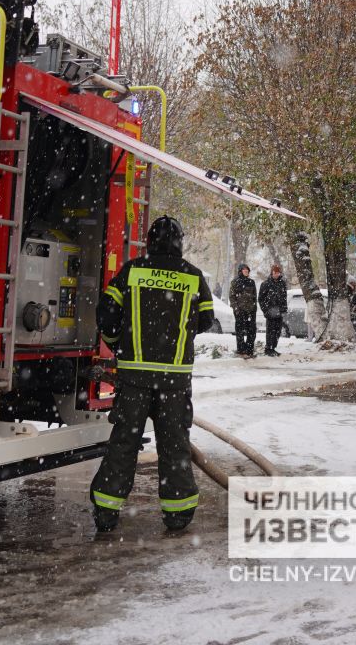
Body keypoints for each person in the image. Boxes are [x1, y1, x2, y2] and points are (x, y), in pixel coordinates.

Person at [90, 216, 214, 533]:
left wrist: (120, 346)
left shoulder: (131, 271)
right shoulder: (193, 276)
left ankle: (106, 510)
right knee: (174, 446)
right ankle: (178, 513)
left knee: (124, 444)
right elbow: (205, 321)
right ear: (180, 242)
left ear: (149, 241)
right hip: (174, 380)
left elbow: (106, 314)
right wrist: (177, 333)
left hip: (134, 378)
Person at [257, 264, 287, 357]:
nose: (277, 274)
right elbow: (260, 299)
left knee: (277, 331)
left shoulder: (282, 283)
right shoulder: (265, 284)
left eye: (278, 273)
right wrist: (265, 311)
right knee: (271, 330)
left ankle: (273, 348)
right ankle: (268, 348)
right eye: (275, 272)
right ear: (272, 273)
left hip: (279, 311)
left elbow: (284, 297)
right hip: (270, 311)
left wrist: (284, 309)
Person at [229, 264, 257, 358]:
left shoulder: (251, 282)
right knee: (240, 332)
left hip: (250, 311)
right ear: (240, 271)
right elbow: (232, 297)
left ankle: (249, 351)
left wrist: (254, 309)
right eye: (245, 270)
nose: (246, 272)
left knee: (251, 331)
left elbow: (254, 297)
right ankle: (241, 350)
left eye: (247, 270)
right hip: (240, 311)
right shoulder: (235, 282)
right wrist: (236, 309)